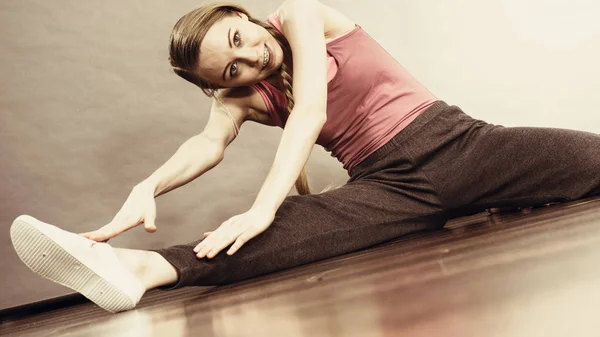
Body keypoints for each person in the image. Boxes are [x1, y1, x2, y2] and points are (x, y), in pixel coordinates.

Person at [10, 0, 600, 313]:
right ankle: (139, 271)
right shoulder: (239, 95)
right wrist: (149, 186)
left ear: (241, 16)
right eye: (230, 70)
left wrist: (262, 204)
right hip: (387, 185)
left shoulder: (300, 14)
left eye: (239, 40)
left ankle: (511, 194)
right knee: (285, 230)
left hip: (462, 145)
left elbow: (310, 109)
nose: (249, 60)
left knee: (591, 158)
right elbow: (207, 143)